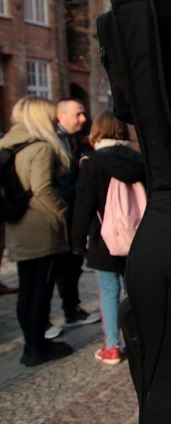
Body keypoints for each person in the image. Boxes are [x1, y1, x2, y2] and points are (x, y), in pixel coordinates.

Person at [0, 96, 73, 366]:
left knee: (28, 287)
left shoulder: (8, 143)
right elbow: (42, 189)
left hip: (17, 224)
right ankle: (36, 346)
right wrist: (63, 213)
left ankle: (32, 341)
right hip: (39, 224)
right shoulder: (40, 147)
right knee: (40, 289)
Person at [70, 110, 146, 365]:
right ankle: (141, 343)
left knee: (109, 292)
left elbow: (83, 205)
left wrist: (77, 242)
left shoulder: (91, 163)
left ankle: (113, 346)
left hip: (104, 240)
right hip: (138, 236)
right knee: (134, 292)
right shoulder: (140, 160)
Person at [47, 99, 100, 340]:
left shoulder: (76, 141)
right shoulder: (54, 143)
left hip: (74, 213)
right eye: (77, 114)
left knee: (72, 266)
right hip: (60, 215)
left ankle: (71, 309)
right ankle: (48, 317)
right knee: (56, 269)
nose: (82, 118)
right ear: (61, 115)